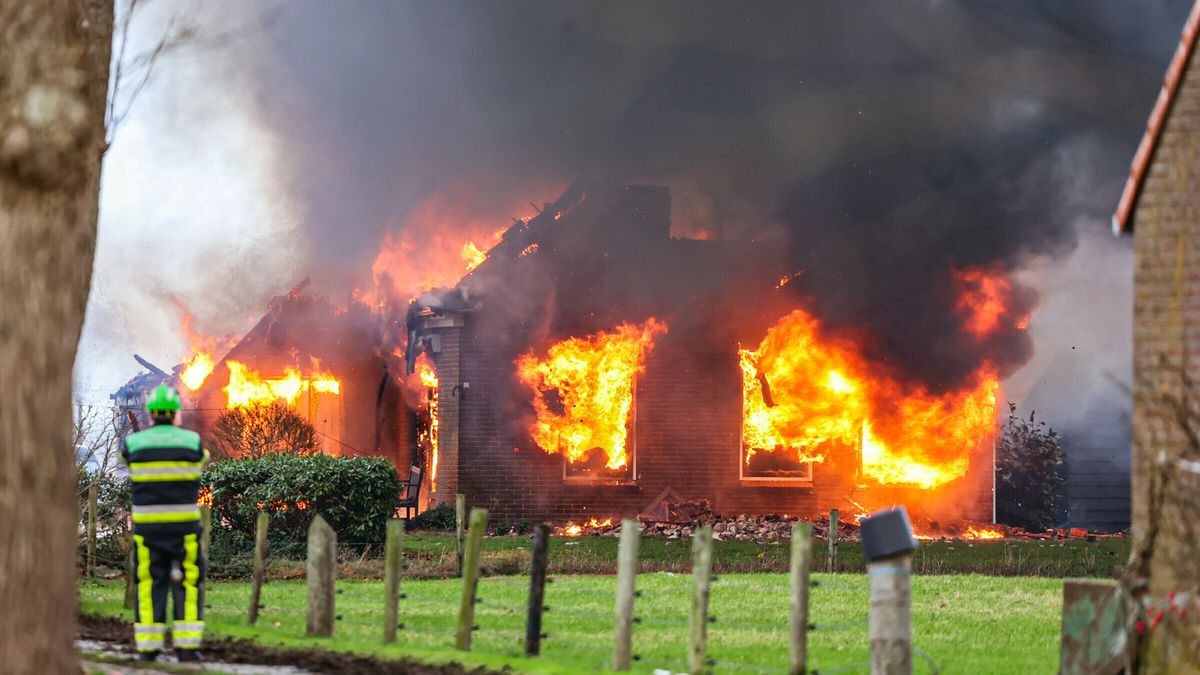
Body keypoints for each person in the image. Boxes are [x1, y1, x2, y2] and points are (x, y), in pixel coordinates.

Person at [122, 384, 209, 662]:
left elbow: (127, 459)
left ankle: (148, 648)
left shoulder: (134, 444)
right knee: (189, 582)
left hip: (148, 532)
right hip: (184, 530)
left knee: (148, 584)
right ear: (176, 415)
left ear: (149, 416)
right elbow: (203, 460)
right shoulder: (192, 442)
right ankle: (188, 648)